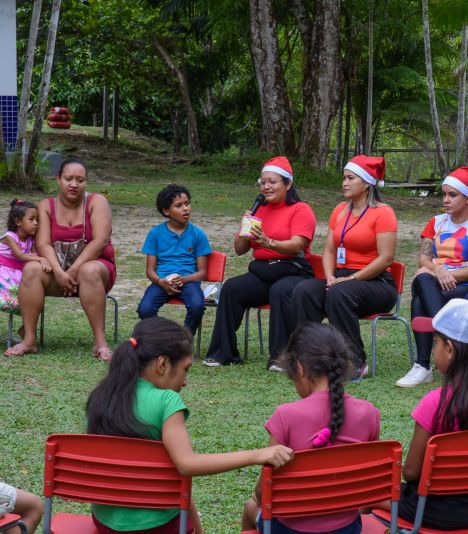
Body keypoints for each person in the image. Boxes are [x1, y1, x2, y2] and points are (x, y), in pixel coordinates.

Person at [85, 317, 293, 534]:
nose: (185, 381)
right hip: (157, 527)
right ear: (163, 364)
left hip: (105, 523)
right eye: (186, 369)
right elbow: (186, 464)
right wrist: (257, 455)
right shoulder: (166, 401)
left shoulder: (101, 397)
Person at [241, 322, 380, 533]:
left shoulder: (285, 416)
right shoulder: (369, 414)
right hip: (347, 527)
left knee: (251, 506)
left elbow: (265, 492)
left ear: (300, 367)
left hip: (289, 528)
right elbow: (370, 485)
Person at [398, 298, 468, 530]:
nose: (433, 348)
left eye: (436, 342)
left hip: (426, 509)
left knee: (372, 496)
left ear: (449, 349)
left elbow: (411, 472)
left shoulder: (434, 403)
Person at [202, 157, 316, 368]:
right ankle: (222, 353)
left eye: (272, 182)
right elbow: (239, 249)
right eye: (262, 182)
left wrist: (268, 242)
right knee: (232, 288)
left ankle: (282, 358)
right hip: (263, 272)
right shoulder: (259, 209)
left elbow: (297, 246)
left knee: (280, 291)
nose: (266, 187)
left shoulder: (301, 210)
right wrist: (245, 227)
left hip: (293, 272)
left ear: (288, 184)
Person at [292, 155, 397, 379]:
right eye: (344, 178)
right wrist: (330, 276)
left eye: (350, 178)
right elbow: (329, 249)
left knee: (340, 293)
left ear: (367, 183)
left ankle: (354, 363)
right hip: (340, 280)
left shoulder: (383, 212)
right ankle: (311, 358)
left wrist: (351, 280)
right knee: (305, 290)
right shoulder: (340, 209)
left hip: (376, 283)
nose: (344, 183)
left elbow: (386, 258)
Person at [8, 157, 117, 360]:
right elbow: (43, 244)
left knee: (89, 270)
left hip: (94, 273)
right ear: (58, 179)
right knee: (32, 269)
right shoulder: (46, 206)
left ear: (86, 181)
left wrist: (72, 271)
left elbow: (100, 241)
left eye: (80, 180)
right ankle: (29, 340)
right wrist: (59, 272)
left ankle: (100, 343)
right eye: (68, 179)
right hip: (57, 272)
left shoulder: (97, 202)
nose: (74, 184)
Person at [395, 166, 468, 388]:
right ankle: (441, 350)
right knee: (422, 278)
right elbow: (424, 260)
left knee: (421, 297)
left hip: (466, 287)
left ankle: (423, 364)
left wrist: (444, 273)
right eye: (444, 194)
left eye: (452, 195)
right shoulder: (436, 222)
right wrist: (439, 271)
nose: (446, 200)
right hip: (437, 283)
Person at [136, 184, 211, 335]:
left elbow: (202, 273)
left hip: (188, 282)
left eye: (187, 204)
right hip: (162, 281)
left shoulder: (198, 234)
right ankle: (167, 336)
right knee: (145, 309)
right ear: (166, 211)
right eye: (179, 205)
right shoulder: (155, 234)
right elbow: (150, 270)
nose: (185, 209)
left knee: (197, 306)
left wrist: (184, 279)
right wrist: (160, 282)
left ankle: (184, 339)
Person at [1, 200, 50, 316]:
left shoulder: (30, 240)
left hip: (18, 272)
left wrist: (36, 255)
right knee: (9, 301)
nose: (36, 223)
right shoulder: (10, 237)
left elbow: (34, 254)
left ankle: (26, 327)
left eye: (37, 220)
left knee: (31, 298)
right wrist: (41, 259)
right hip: (3, 271)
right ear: (18, 221)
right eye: (31, 219)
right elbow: (20, 255)